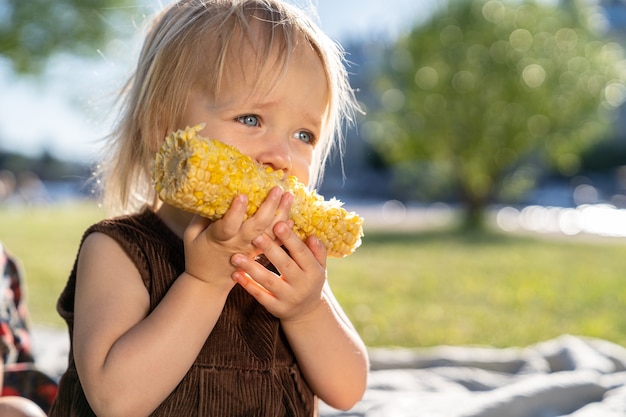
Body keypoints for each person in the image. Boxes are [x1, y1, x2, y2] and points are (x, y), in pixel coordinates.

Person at [49, 0, 369, 415]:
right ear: (165, 130)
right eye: (251, 119)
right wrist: (204, 283)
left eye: (304, 134)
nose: (281, 156)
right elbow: (116, 401)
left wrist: (308, 310)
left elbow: (348, 391)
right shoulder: (118, 250)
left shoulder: (288, 260)